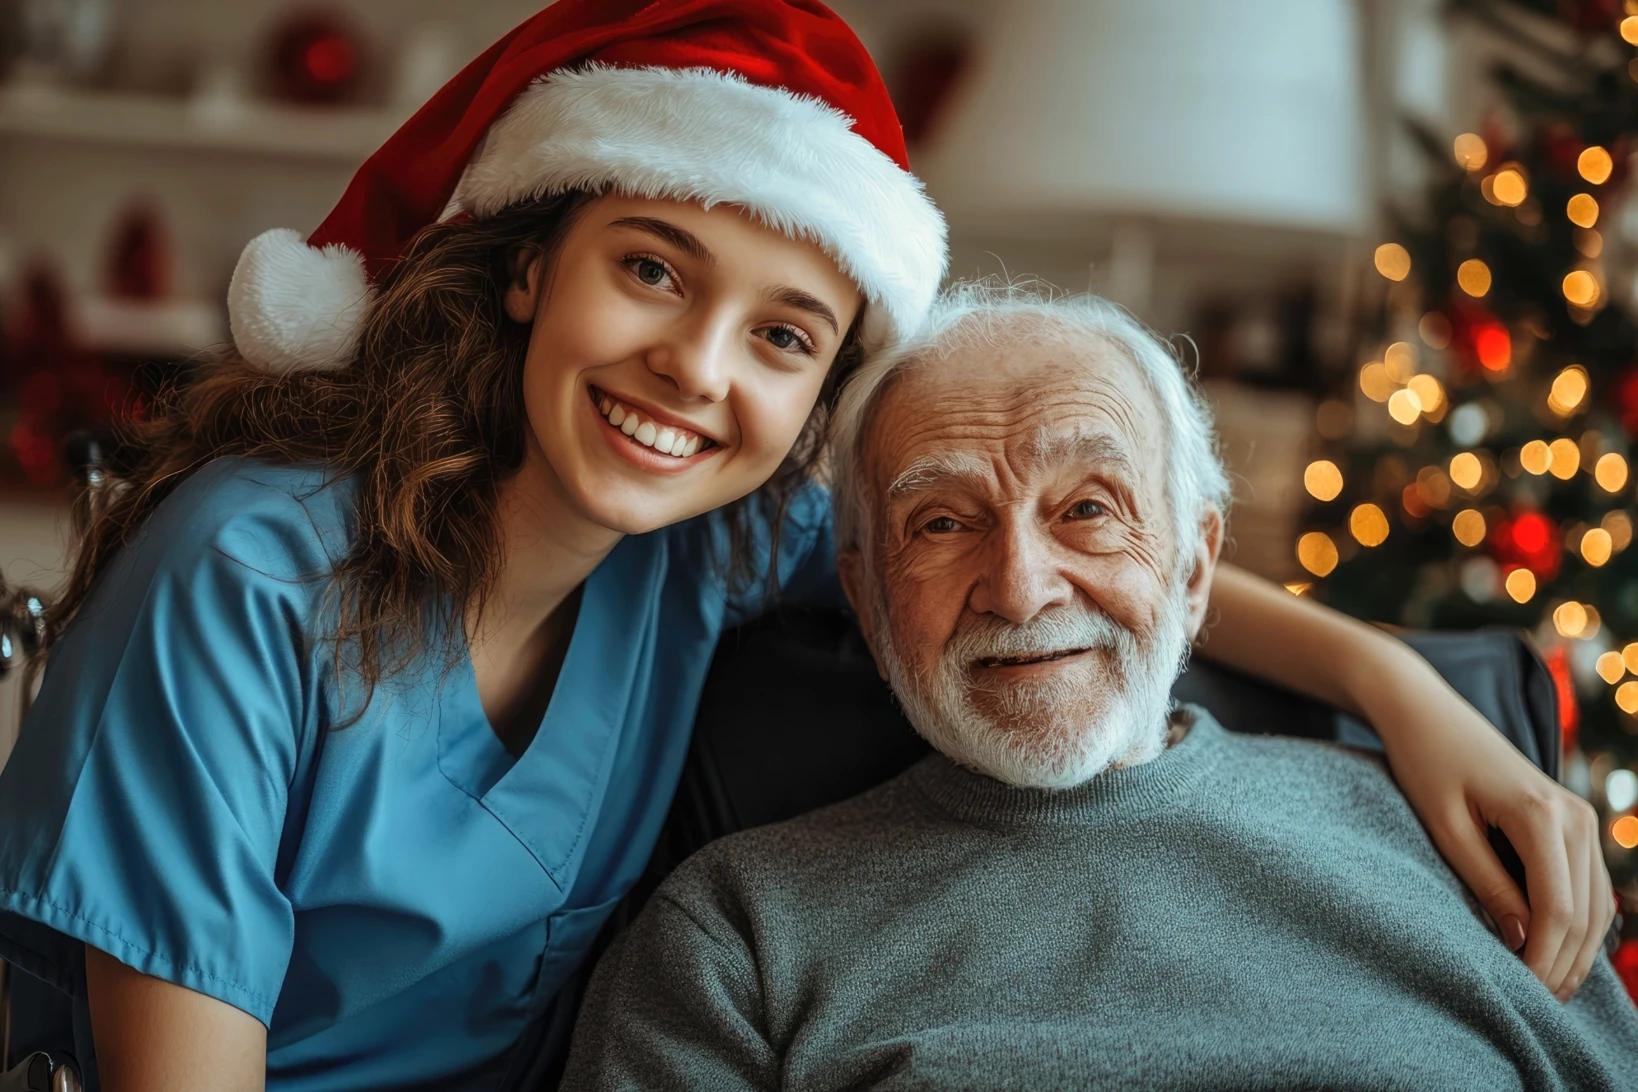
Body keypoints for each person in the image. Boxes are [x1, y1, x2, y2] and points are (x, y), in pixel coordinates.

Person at [0, 2, 1610, 1089]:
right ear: (521, 268)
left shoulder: (697, 538)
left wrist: (1403, 691)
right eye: (650, 269)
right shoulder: (245, 580)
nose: (697, 372)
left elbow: (1048, 561)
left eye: (784, 337)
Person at [561, 287, 1638, 1091]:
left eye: (1088, 509)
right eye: (941, 523)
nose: (1022, 590)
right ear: (866, 592)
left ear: (1195, 565)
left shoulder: (1455, 851)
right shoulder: (737, 937)